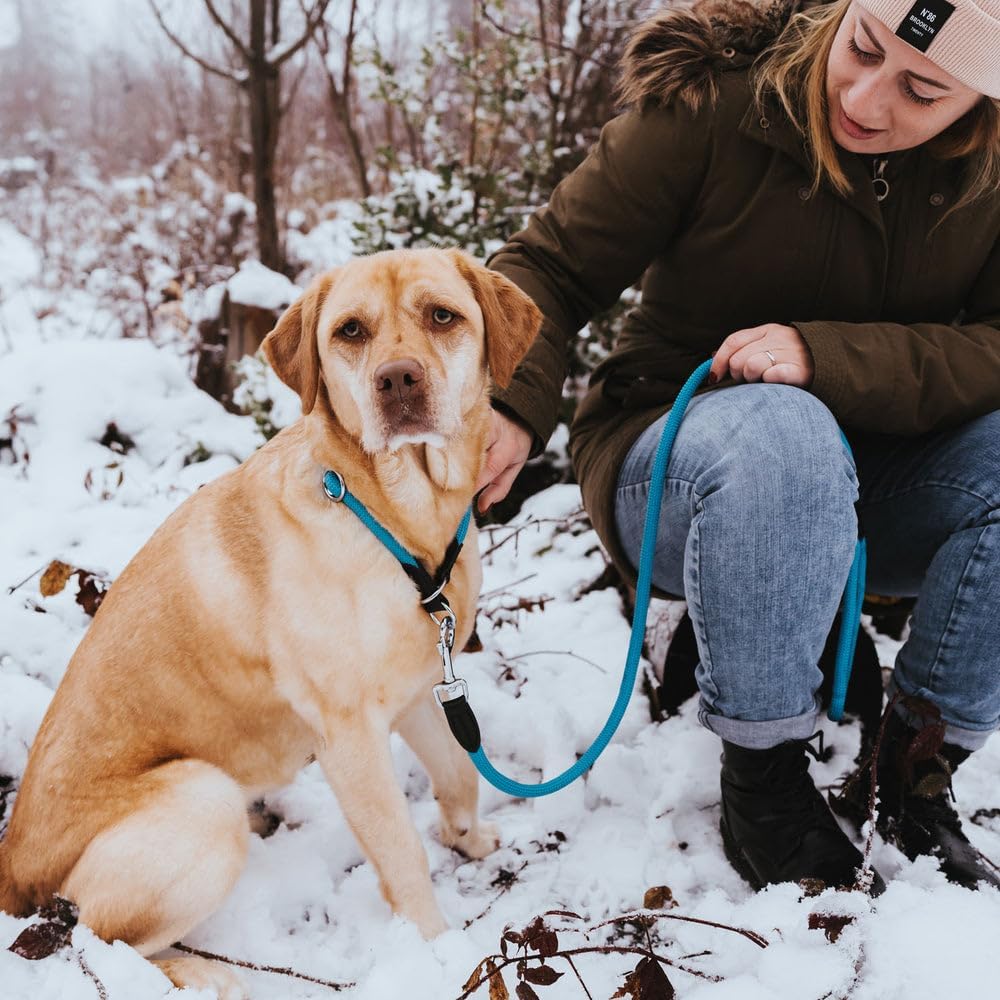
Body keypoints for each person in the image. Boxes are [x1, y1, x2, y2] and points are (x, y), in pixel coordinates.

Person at [476, 0, 1000, 893]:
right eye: (861, 47)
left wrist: (829, 358)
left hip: (878, 477)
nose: (865, 101)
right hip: (672, 457)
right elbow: (551, 269)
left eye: (921, 92)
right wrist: (507, 400)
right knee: (782, 433)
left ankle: (914, 770)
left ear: (980, 105)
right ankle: (765, 783)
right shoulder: (714, 105)